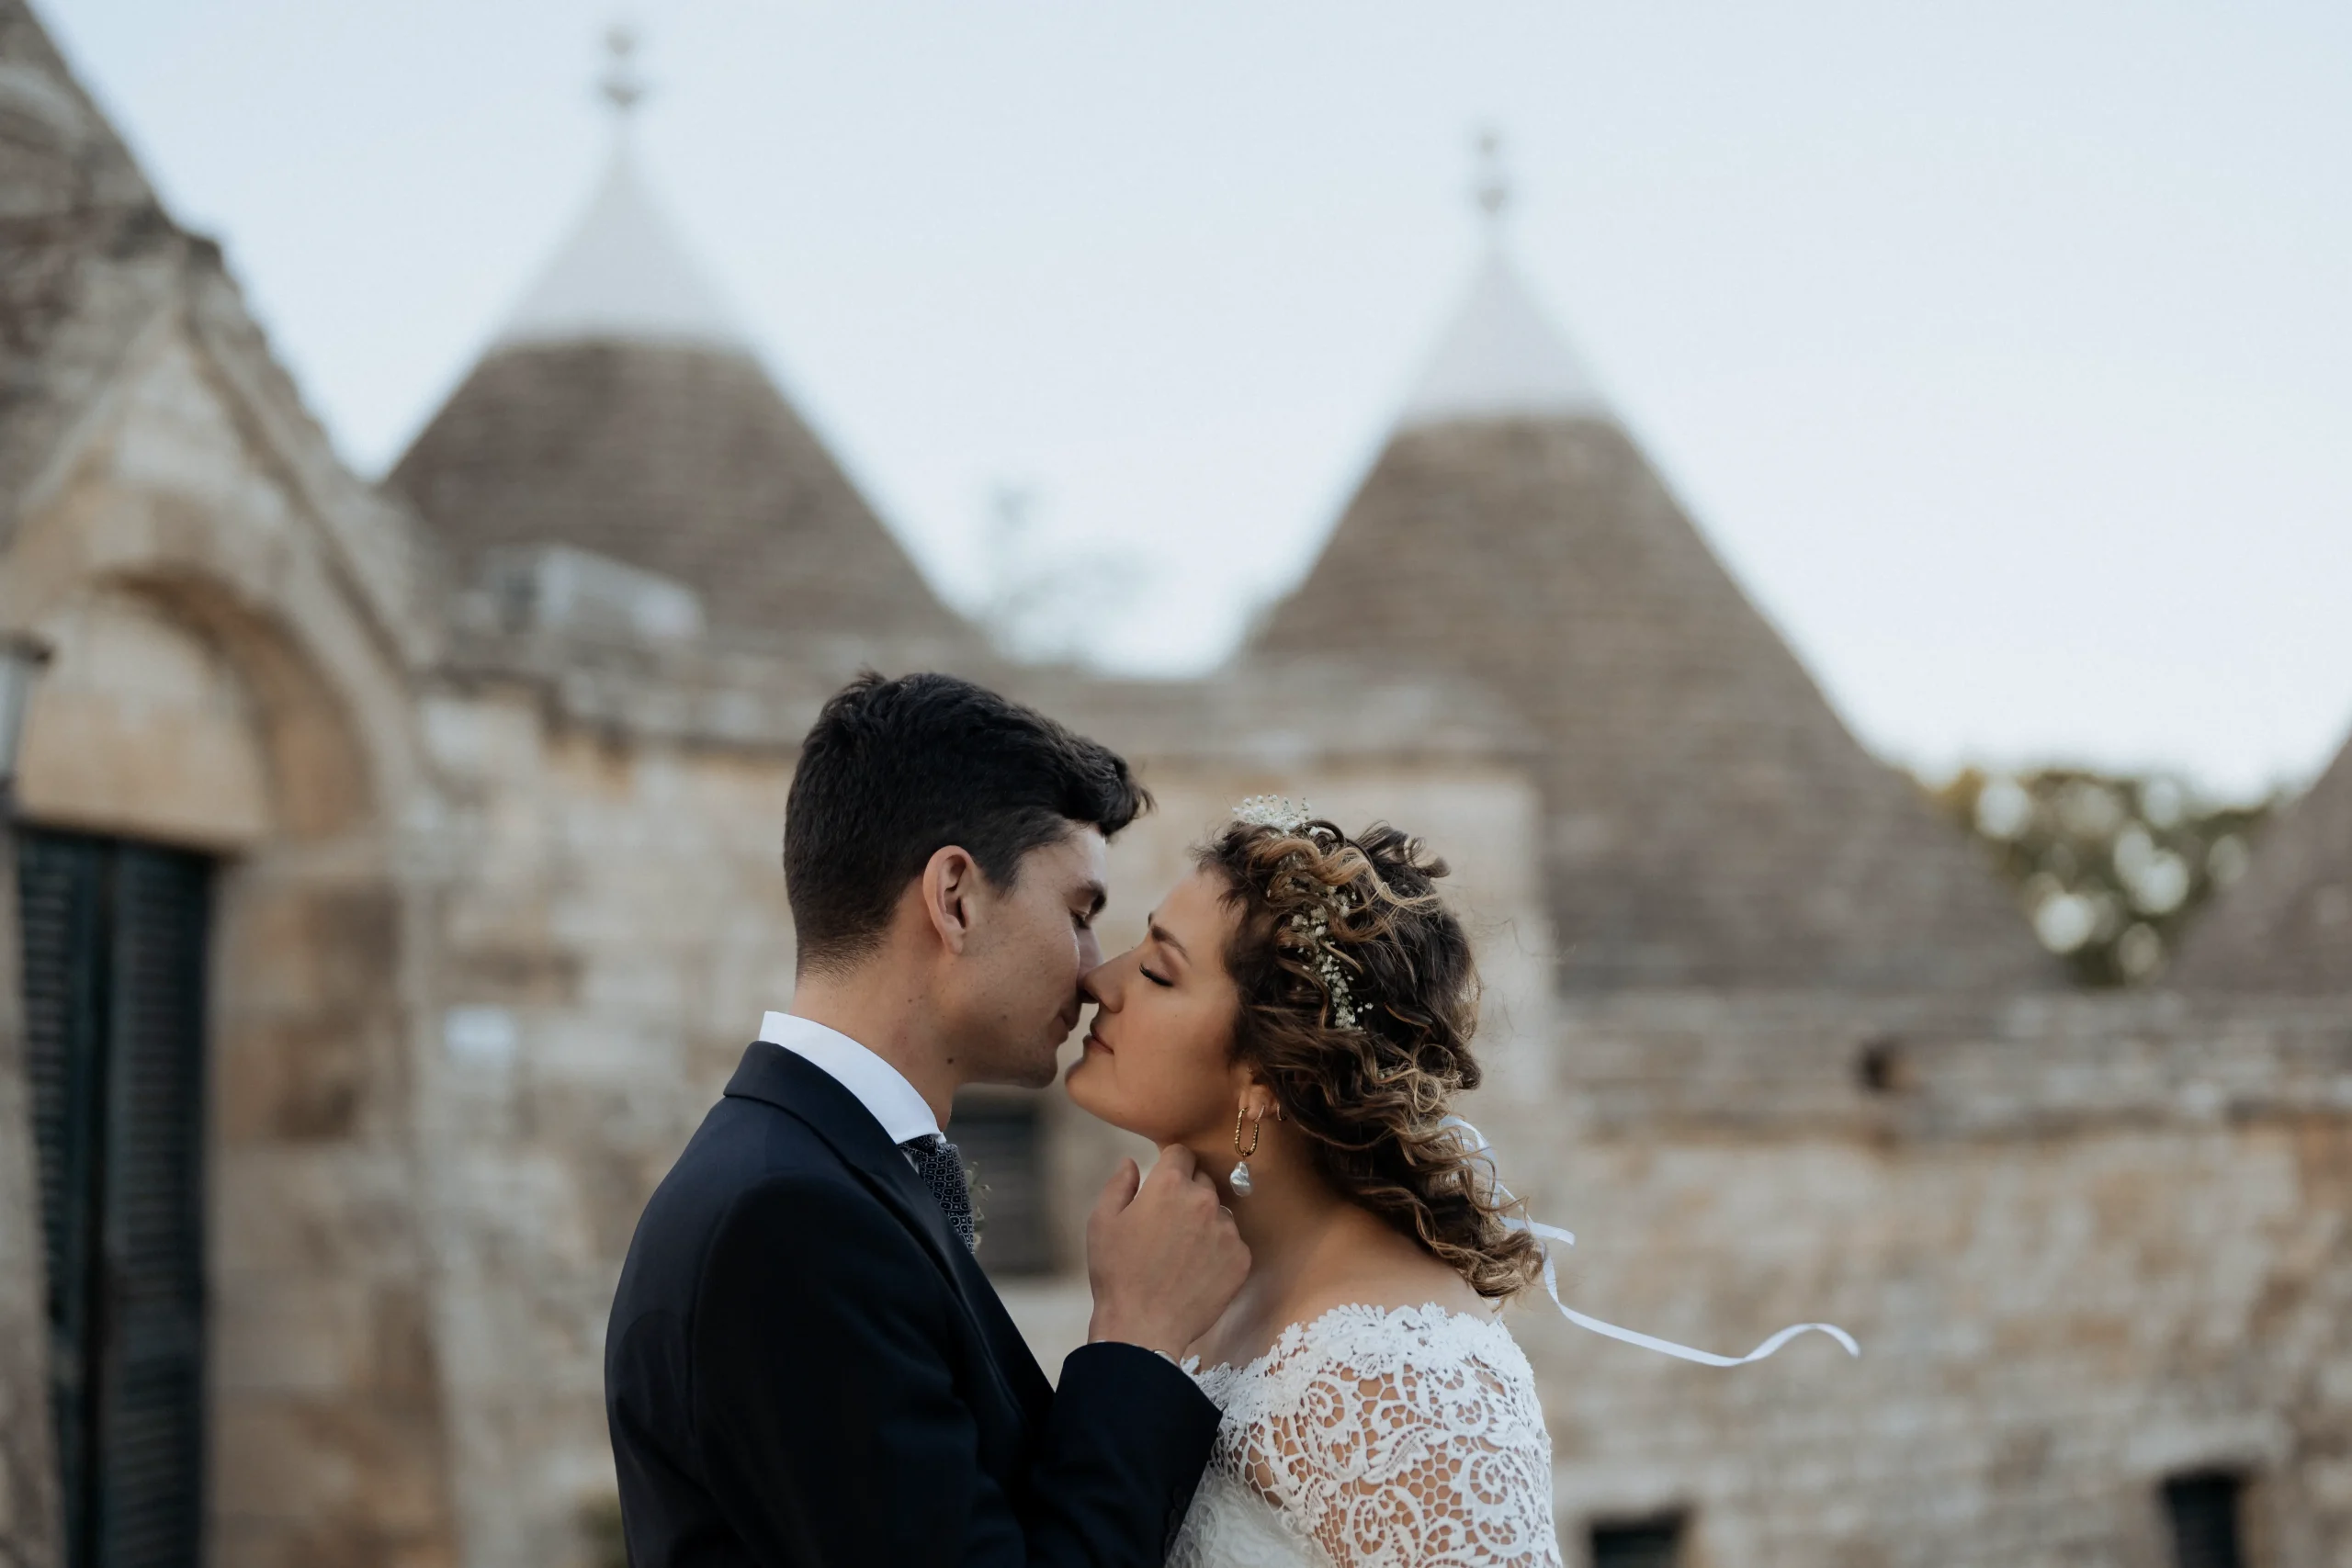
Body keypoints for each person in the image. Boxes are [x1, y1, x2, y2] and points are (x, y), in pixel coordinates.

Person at [605, 671, 1250, 1568]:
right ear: (954, 898)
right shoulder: (790, 1222)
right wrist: (1135, 1341)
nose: (1096, 971)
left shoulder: (807, 1170)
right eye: (1078, 913)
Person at [1067, 802, 1561, 1568]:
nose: (1101, 978)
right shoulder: (1195, 1302)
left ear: (1269, 1069)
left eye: (1158, 970)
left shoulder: (1408, 1379)